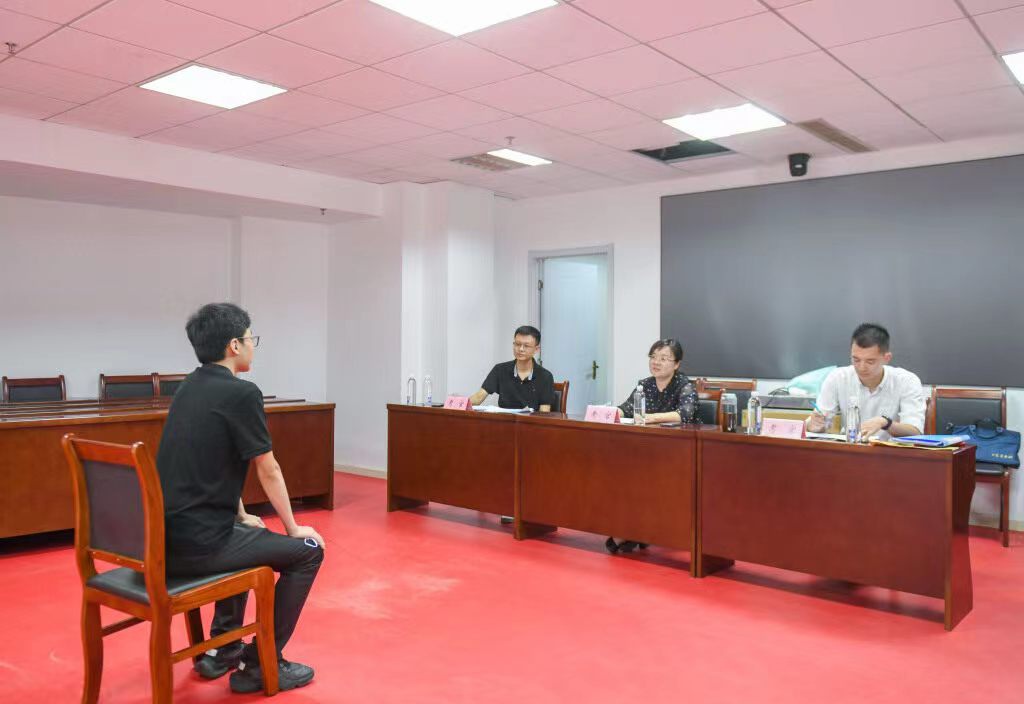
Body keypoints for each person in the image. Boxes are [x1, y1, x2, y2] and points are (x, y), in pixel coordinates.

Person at [157, 302, 324, 694]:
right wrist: (294, 528)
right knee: (309, 552)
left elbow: (210, 462)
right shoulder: (242, 393)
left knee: (248, 530)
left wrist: (243, 513)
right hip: (200, 545)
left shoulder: (188, 387)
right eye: (251, 339)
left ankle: (223, 648)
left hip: (165, 540)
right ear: (234, 345)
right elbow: (269, 469)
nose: (253, 346)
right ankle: (261, 663)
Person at [606, 338, 699, 555]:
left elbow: (684, 414)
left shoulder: (685, 385)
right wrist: (609, 412)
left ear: (676, 364)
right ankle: (634, 527)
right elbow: (627, 408)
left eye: (664, 358)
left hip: (680, 453)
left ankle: (638, 530)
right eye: (653, 357)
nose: (656, 362)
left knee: (649, 477)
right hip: (649, 450)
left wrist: (650, 417)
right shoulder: (644, 384)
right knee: (624, 473)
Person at [806, 323, 925, 441]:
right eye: (856, 360)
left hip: (889, 450)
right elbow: (819, 422)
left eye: (870, 361)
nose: (861, 367)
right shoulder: (838, 377)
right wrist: (815, 425)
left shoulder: (906, 381)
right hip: (850, 448)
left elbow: (915, 432)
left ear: (886, 358)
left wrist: (885, 423)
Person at [469, 325, 556, 412]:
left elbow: (544, 412)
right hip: (504, 420)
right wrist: (461, 403)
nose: (521, 349)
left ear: (536, 349)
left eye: (526, 346)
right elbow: (478, 397)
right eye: (517, 344)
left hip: (530, 420)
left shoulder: (545, 376)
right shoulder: (500, 370)